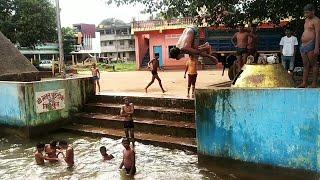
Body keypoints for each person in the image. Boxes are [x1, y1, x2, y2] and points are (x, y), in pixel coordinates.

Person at [299, 4, 320, 88]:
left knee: (314, 64)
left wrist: (316, 47)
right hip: (303, 45)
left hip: (311, 44)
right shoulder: (306, 20)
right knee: (305, 64)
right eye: (305, 13)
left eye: (307, 13)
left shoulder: (317, 20)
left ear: (313, 11)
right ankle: (304, 82)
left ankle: (314, 83)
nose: (306, 15)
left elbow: (318, 34)